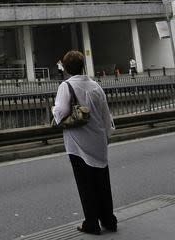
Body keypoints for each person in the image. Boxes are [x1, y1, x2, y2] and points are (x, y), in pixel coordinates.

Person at [52, 50, 116, 235]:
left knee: (85, 184)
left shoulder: (66, 86)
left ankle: (91, 222)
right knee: (102, 182)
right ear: (83, 65)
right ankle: (109, 219)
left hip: (78, 144)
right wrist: (106, 137)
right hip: (98, 141)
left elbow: (61, 112)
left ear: (65, 68)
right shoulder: (95, 86)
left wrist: (54, 110)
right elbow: (106, 115)